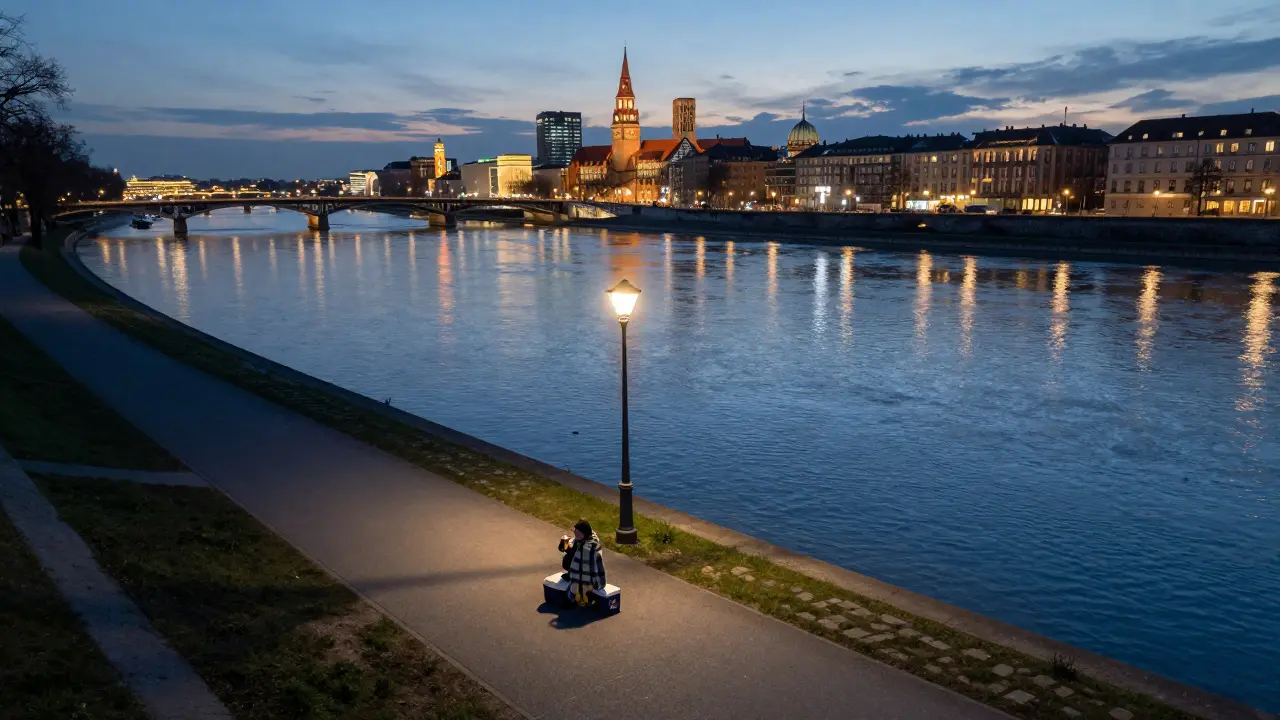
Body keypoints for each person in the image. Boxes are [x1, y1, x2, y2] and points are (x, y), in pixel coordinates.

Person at [558, 519, 606, 606]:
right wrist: (565, 548)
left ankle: (583, 598)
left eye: (577, 531)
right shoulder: (579, 541)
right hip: (581, 573)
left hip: (590, 576)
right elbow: (573, 554)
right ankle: (576, 597)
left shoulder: (591, 546)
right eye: (575, 531)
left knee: (576, 587)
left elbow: (593, 567)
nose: (575, 533)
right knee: (567, 559)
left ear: (584, 532)